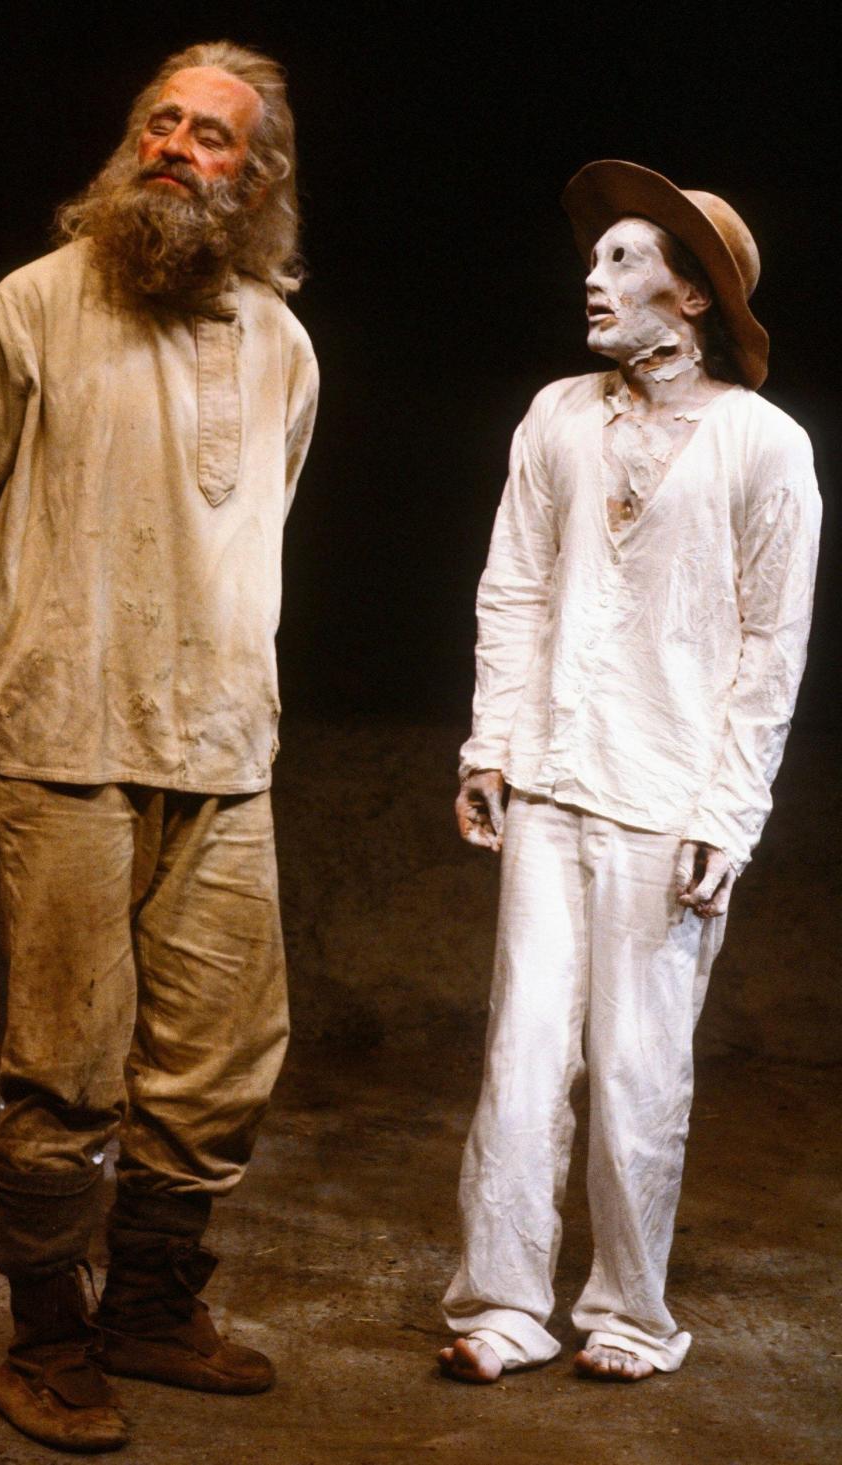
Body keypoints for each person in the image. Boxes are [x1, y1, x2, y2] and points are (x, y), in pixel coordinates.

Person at [0, 40, 318, 1452]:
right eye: (160, 120)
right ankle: (45, 1338)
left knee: (215, 1063)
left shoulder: (281, 342)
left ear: (252, 179)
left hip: (224, 755)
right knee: (65, 1063)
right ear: (128, 138)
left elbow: (258, 527)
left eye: (211, 136)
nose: (177, 148)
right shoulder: (34, 305)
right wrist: (32, 659)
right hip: (67, 749)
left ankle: (148, 1304)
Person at [438, 161, 820, 1386]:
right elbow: (516, 585)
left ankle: (632, 1313)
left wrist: (731, 812)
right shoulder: (557, 415)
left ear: (695, 296)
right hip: (553, 781)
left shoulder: (765, 445)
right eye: (594, 258)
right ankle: (502, 1302)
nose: (592, 277)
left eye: (623, 260)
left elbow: (772, 645)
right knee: (523, 1053)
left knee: (642, 1069)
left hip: (670, 799)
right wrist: (492, 744)